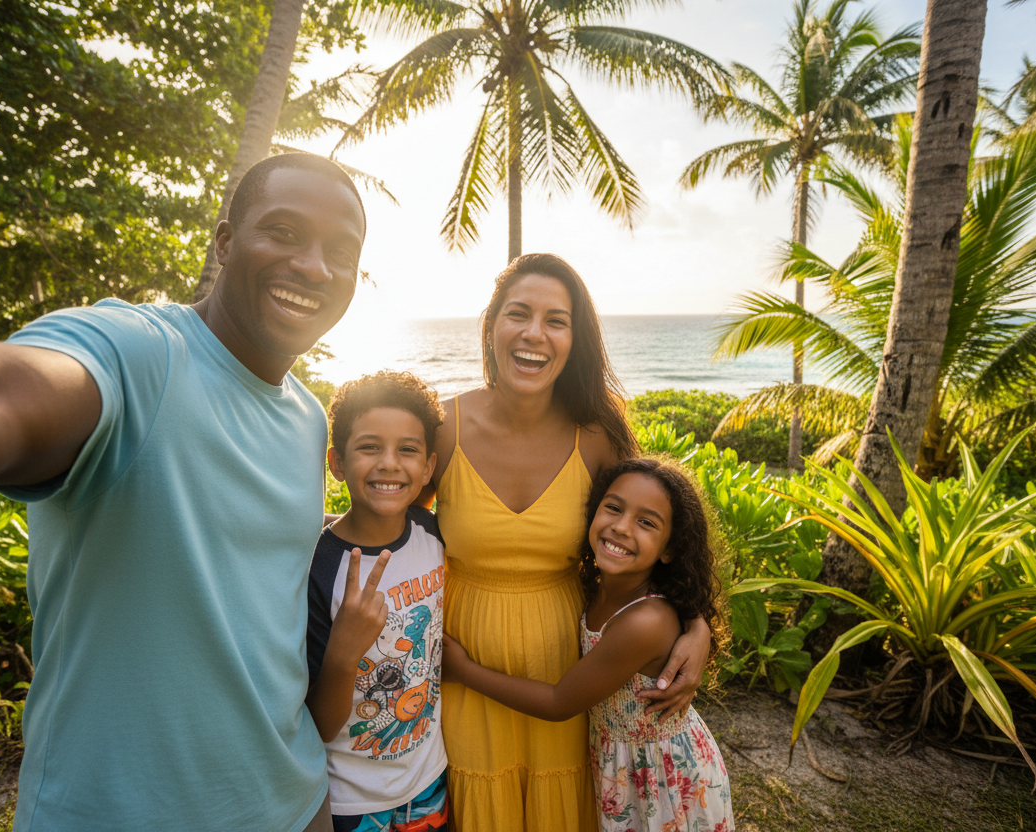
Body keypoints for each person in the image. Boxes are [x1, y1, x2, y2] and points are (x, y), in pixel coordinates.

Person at [0, 154, 367, 832]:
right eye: (285, 232)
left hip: (293, 802)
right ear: (225, 242)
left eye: (341, 252)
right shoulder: (139, 354)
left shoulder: (307, 417)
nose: (315, 267)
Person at [423, 253, 714, 831]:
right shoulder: (443, 425)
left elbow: (655, 533)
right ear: (491, 326)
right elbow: (386, 523)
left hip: (563, 663)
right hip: (459, 658)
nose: (535, 333)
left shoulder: (597, 435)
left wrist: (697, 624)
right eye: (519, 314)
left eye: (556, 320)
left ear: (574, 340)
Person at [442, 458, 734, 832]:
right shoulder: (596, 587)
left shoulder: (644, 622)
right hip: (623, 766)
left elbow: (559, 702)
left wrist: (463, 670)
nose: (622, 527)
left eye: (646, 523)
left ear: (669, 549)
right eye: (613, 508)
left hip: (663, 780)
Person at [306, 370, 451, 832]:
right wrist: (344, 652)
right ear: (336, 462)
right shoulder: (318, 567)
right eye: (369, 447)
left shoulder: (433, 534)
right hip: (351, 801)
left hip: (429, 783)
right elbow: (318, 724)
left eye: (407, 449)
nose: (389, 463)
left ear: (428, 467)